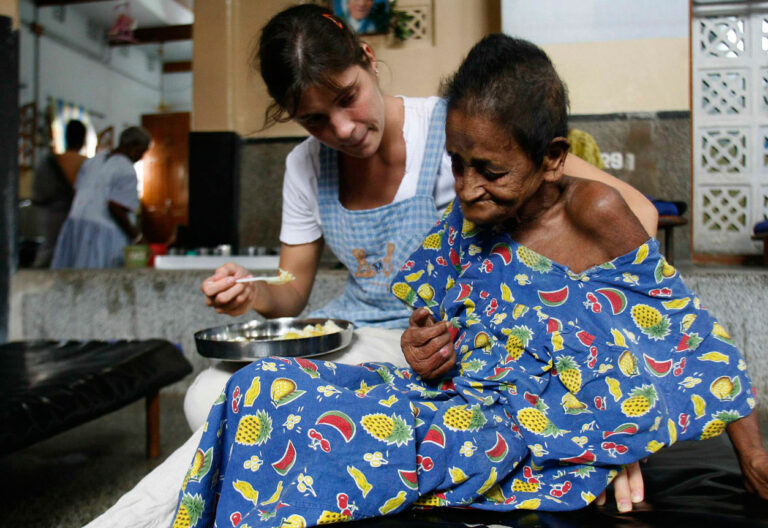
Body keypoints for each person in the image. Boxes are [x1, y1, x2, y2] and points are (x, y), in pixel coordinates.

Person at [85, 7, 654, 526]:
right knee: (205, 393)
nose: (343, 130)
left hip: (438, 343)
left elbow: (639, 216)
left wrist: (584, 369)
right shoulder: (306, 167)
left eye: (347, 97)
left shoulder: (456, 131)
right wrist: (252, 291)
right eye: (314, 120)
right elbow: (291, 294)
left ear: (368, 60)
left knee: (238, 402)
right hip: (353, 333)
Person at [170, 34, 767, 527]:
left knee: (321, 442)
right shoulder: (471, 218)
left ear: (552, 157)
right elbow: (431, 326)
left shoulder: (596, 215)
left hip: (514, 430)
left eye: (491, 170)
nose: (467, 187)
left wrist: (754, 455)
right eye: (457, 163)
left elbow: (692, 339)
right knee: (262, 387)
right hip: (450, 396)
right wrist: (421, 349)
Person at [51, 126, 150, 269]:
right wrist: (137, 237)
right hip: (102, 232)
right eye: (143, 151)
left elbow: (77, 191)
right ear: (134, 146)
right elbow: (115, 207)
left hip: (76, 223)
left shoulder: (94, 161)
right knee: (99, 277)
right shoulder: (126, 169)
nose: (142, 156)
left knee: (74, 273)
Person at [31, 119, 87, 267]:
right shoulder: (87, 164)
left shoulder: (48, 163)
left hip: (52, 216)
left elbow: (38, 196)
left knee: (49, 252)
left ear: (65, 137)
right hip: (82, 217)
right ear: (83, 140)